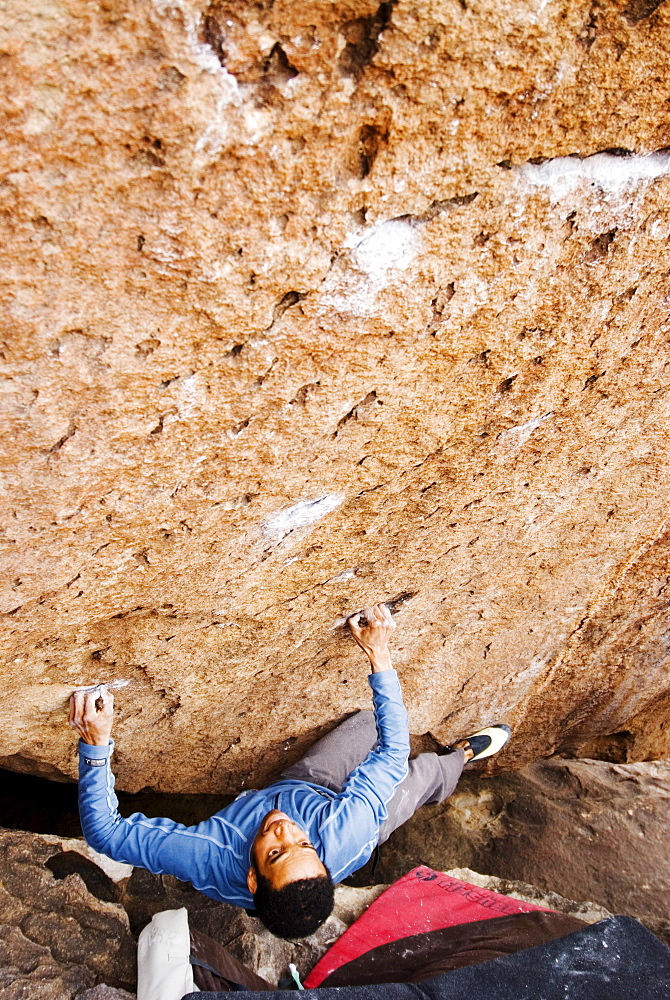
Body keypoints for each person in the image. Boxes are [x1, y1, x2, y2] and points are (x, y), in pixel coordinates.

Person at [70, 604, 511, 939]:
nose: (286, 830)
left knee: (410, 760)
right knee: (400, 762)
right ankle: (462, 758)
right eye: (301, 845)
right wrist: (379, 652)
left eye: (276, 852)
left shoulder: (210, 857)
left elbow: (106, 834)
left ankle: (457, 760)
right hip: (346, 810)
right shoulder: (346, 831)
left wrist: (94, 744)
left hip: (303, 790)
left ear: (250, 877)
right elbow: (393, 752)